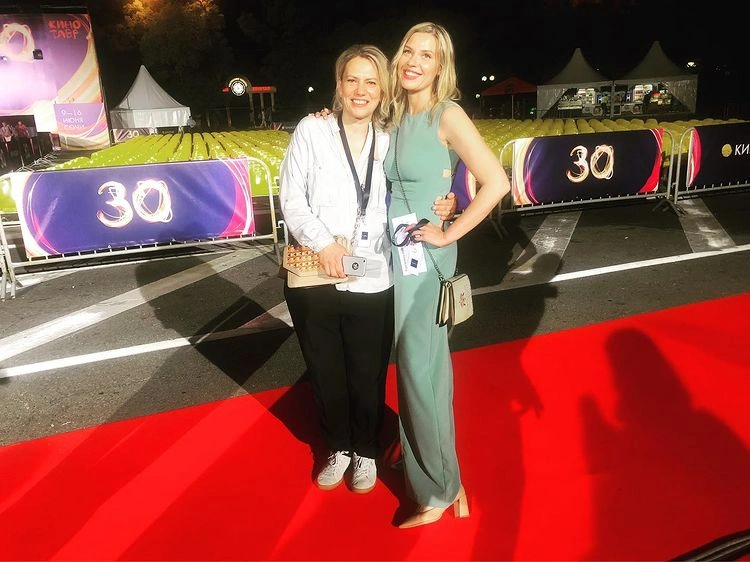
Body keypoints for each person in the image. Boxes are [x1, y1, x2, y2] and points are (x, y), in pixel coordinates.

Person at [278, 44, 455, 495]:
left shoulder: (390, 137)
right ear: (339, 85)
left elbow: (424, 179)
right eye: (352, 80)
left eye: (371, 82)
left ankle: (366, 450)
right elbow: (291, 197)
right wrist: (324, 243)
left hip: (373, 272)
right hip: (316, 271)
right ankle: (337, 445)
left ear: (383, 89)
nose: (361, 90)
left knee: (367, 370)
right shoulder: (312, 130)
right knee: (325, 368)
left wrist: (450, 201)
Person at [383, 22, 511, 528]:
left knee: (421, 372)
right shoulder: (394, 114)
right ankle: (429, 465)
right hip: (394, 259)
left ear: (441, 67)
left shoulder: (447, 114)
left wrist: (450, 230)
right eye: (408, 51)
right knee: (417, 371)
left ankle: (440, 489)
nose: (413, 61)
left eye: (426, 55)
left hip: (425, 260)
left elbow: (496, 181)